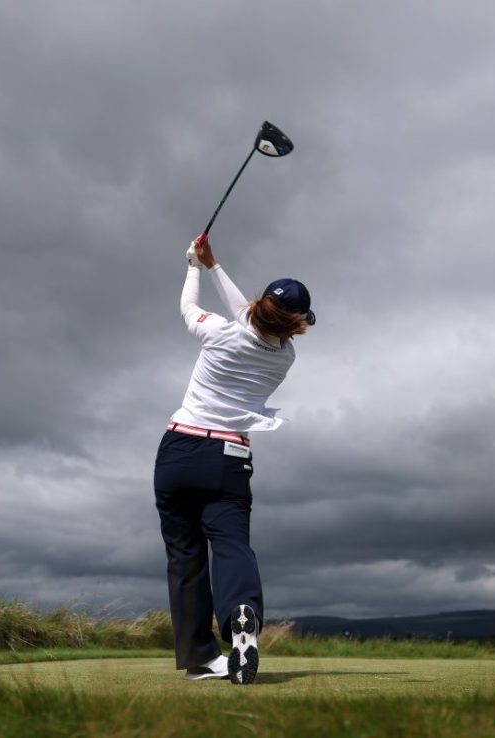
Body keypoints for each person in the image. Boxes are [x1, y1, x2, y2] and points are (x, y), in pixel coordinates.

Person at [153, 233, 315, 685]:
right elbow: (254, 317)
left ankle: (201, 658)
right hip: (227, 456)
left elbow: (190, 309)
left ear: (261, 306)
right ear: (295, 323)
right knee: (231, 546)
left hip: (178, 449)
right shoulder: (285, 357)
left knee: (185, 557)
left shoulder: (219, 331)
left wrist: (194, 267)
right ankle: (241, 614)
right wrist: (212, 264)